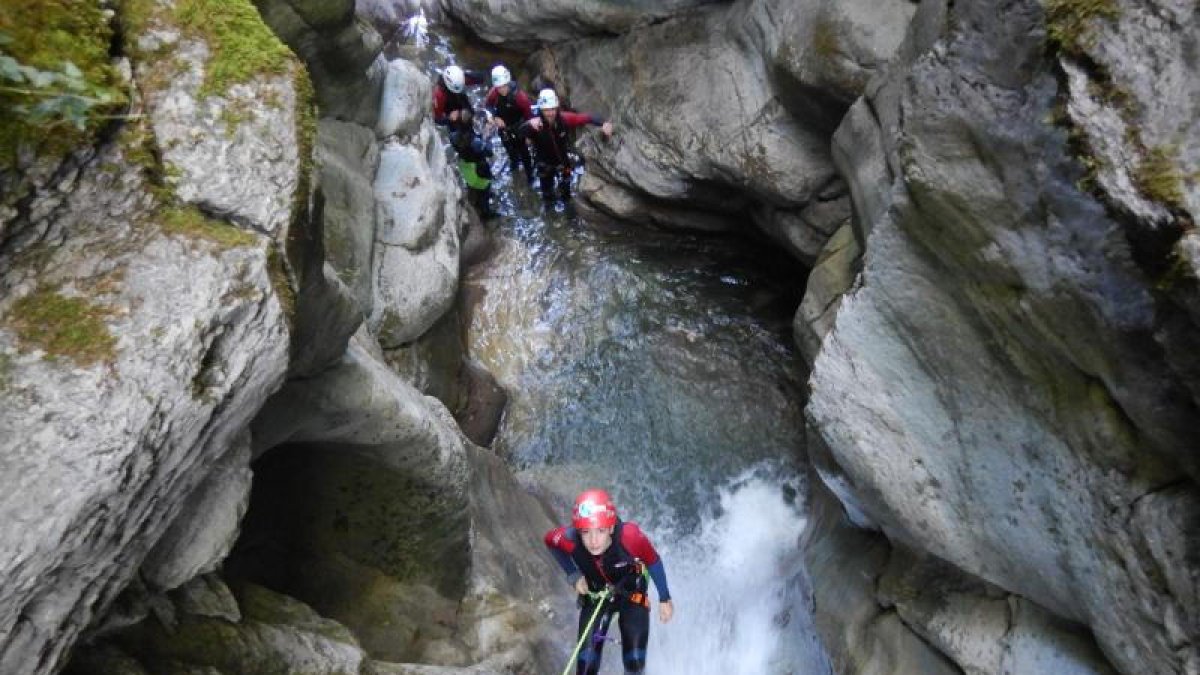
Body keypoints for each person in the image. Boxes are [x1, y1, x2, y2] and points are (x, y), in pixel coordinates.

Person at [544, 489, 673, 675]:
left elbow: (653, 561)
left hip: (631, 594)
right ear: (578, 531)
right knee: (585, 668)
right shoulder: (569, 539)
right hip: (596, 595)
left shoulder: (630, 537)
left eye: (600, 531)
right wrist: (574, 576)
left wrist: (664, 598)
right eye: (586, 532)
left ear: (611, 528)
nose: (593, 541)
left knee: (635, 663)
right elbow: (550, 541)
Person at [518, 88, 614, 203]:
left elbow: (587, 118)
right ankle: (549, 208)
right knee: (547, 194)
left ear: (556, 107)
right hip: (544, 164)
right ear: (541, 110)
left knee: (566, 190)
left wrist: (604, 123)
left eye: (552, 109)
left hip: (563, 162)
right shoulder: (534, 125)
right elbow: (520, 134)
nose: (550, 113)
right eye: (546, 110)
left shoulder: (564, 119)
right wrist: (528, 124)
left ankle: (566, 203)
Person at [483, 64, 535, 183]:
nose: (502, 89)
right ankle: (514, 163)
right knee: (509, 149)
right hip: (504, 129)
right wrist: (494, 117)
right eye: (499, 87)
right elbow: (488, 106)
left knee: (524, 153)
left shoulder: (521, 98)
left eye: (504, 86)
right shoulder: (494, 93)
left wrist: (529, 136)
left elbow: (529, 117)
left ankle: (530, 174)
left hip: (519, 128)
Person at [432, 65, 485, 132]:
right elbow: (436, 119)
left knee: (468, 110)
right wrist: (449, 118)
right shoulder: (439, 95)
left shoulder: (459, 78)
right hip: (449, 110)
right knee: (457, 128)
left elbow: (480, 78)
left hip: (459, 98)